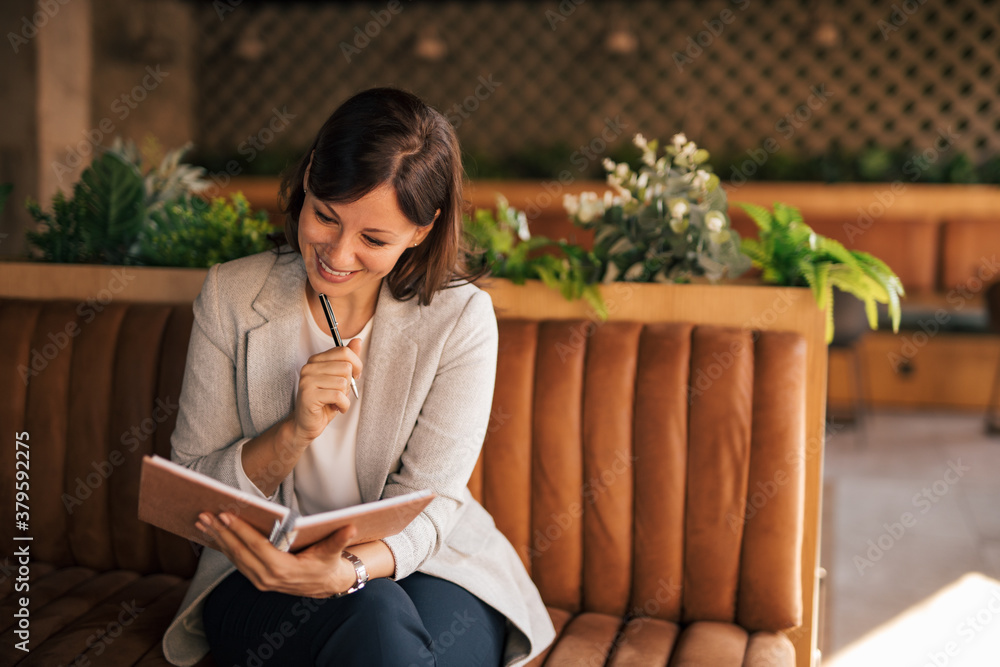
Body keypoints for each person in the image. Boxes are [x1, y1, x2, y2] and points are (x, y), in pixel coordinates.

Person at [161, 87, 555, 666]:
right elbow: (192, 487)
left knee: (380, 616)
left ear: (422, 231)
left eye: (373, 239)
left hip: (422, 562)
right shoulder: (231, 296)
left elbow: (435, 499)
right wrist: (293, 431)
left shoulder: (459, 318)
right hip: (259, 569)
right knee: (374, 618)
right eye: (325, 216)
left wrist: (345, 569)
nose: (338, 255)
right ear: (312, 177)